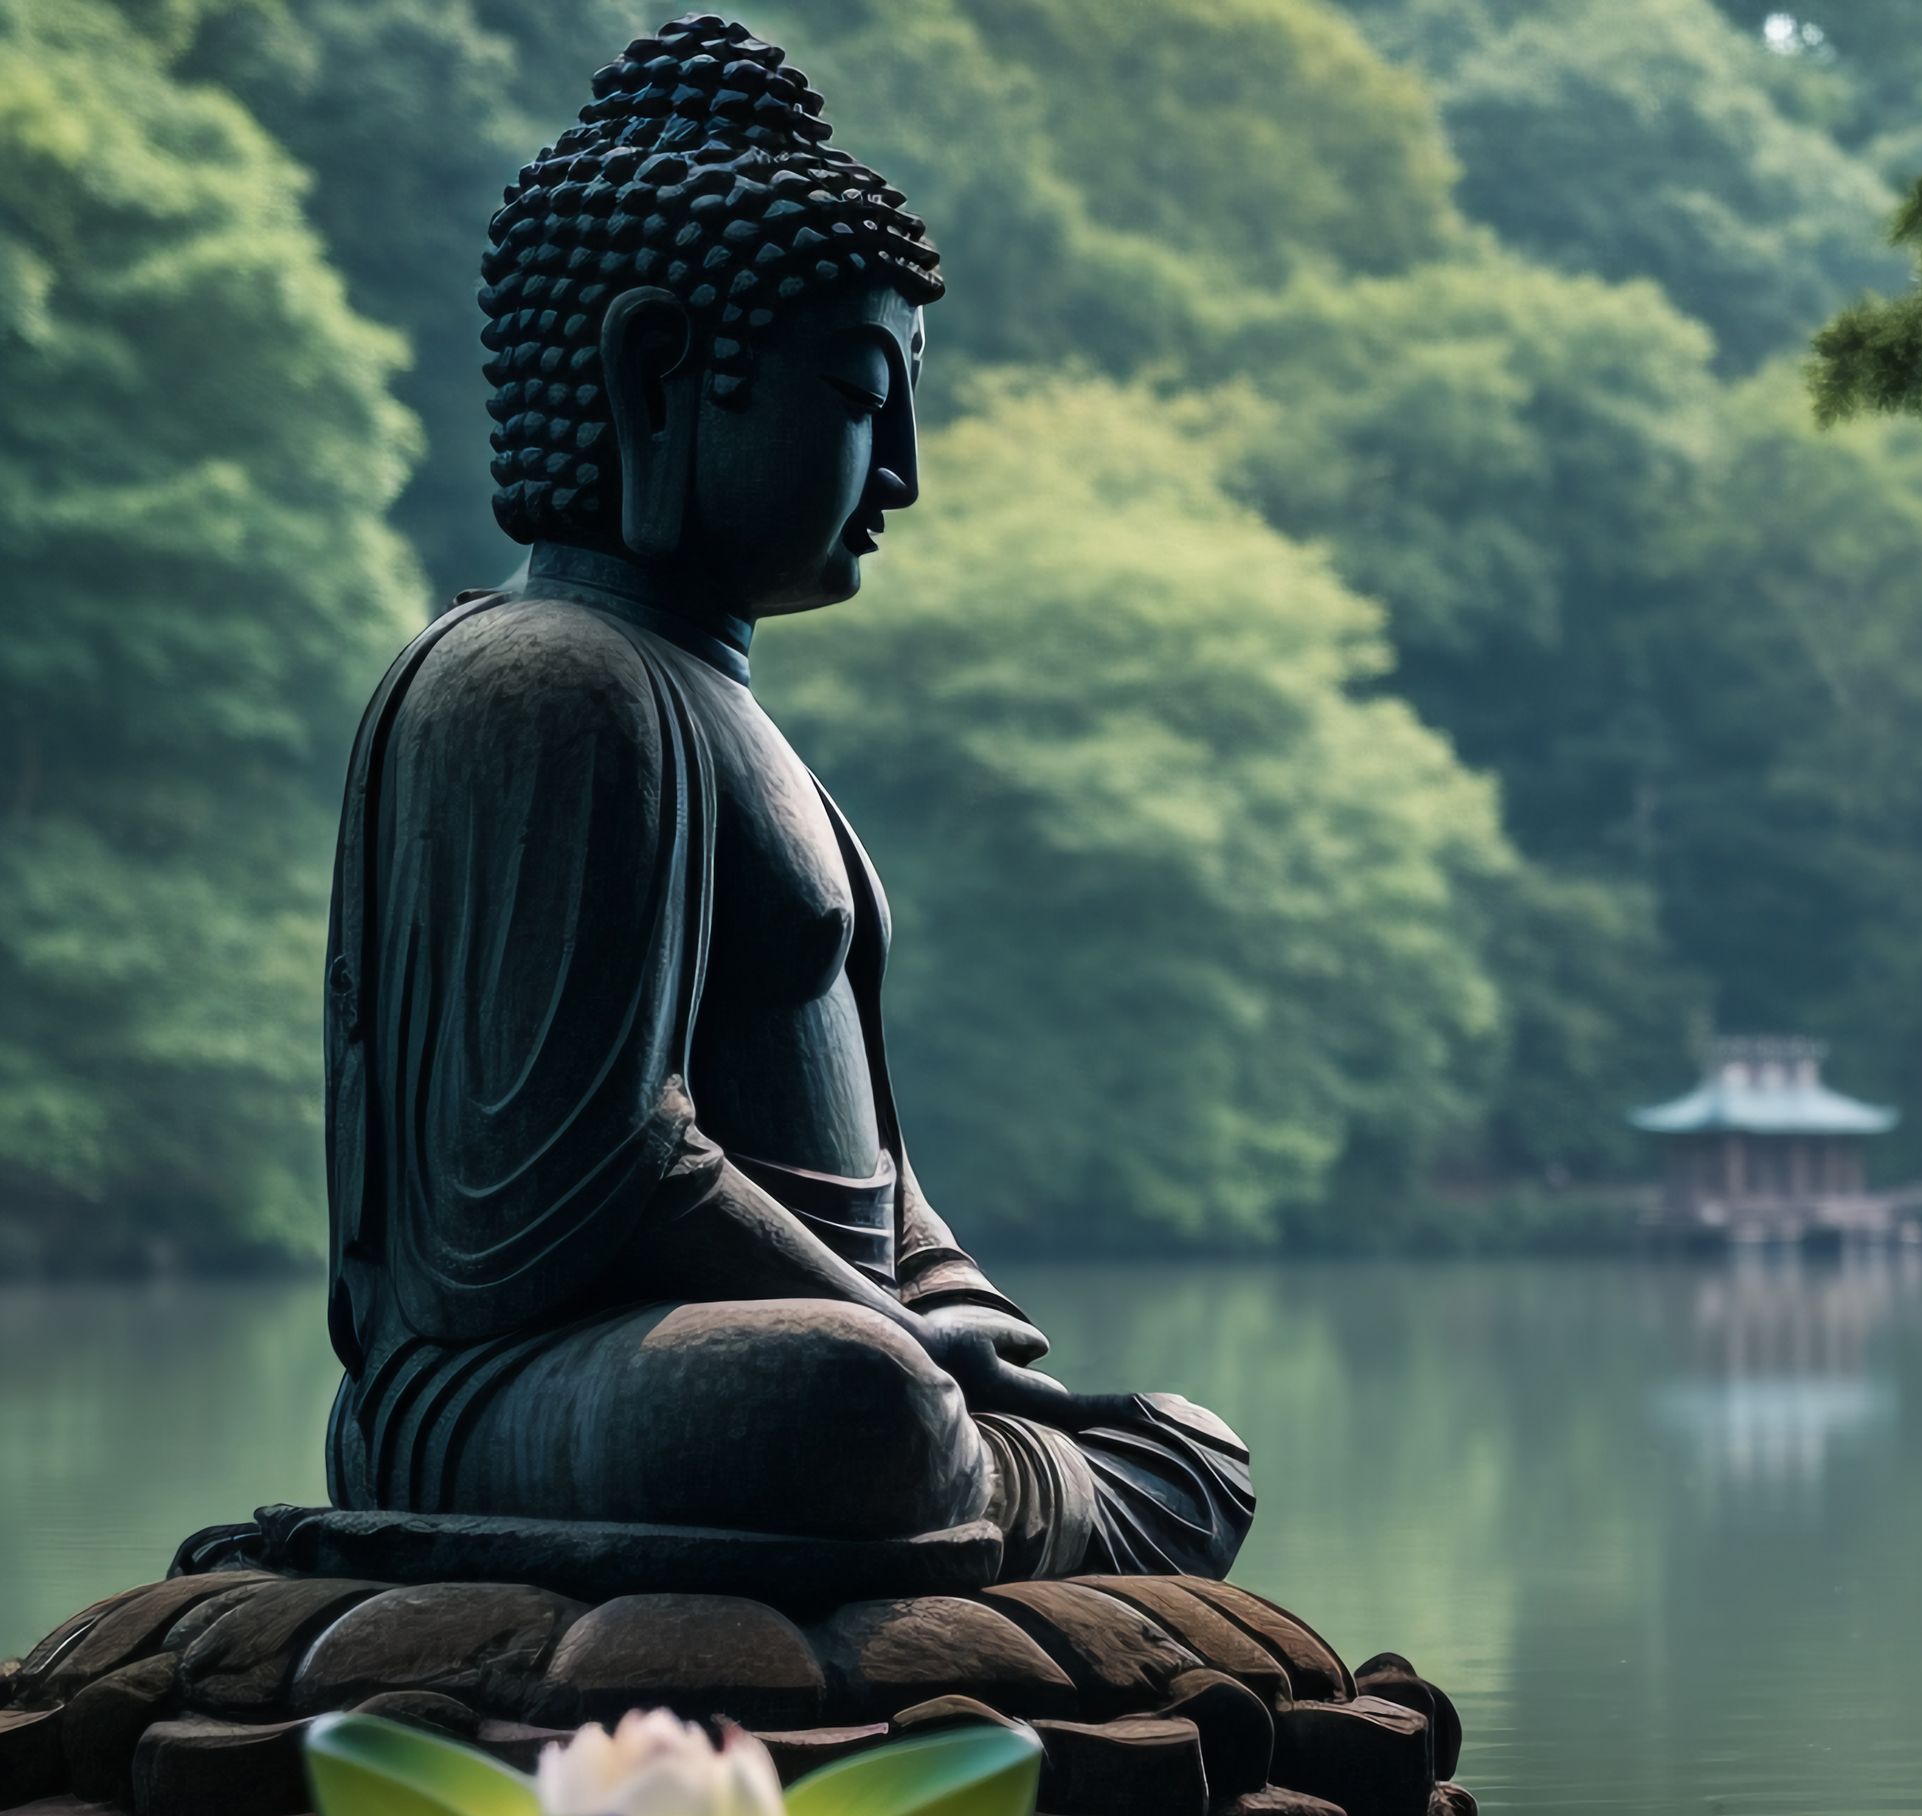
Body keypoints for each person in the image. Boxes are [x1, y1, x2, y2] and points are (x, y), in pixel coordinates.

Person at [319, 14, 1250, 1578]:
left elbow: (876, 1165)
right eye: (858, 396)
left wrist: (953, 1306)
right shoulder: (547, 681)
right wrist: (889, 1330)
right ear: (656, 373)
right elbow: (581, 1170)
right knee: (848, 1400)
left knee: (1190, 1445)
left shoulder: (731, 713)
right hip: (515, 1379)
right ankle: (962, 1484)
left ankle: (971, 1470)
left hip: (820, 1333)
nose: (901, 470)